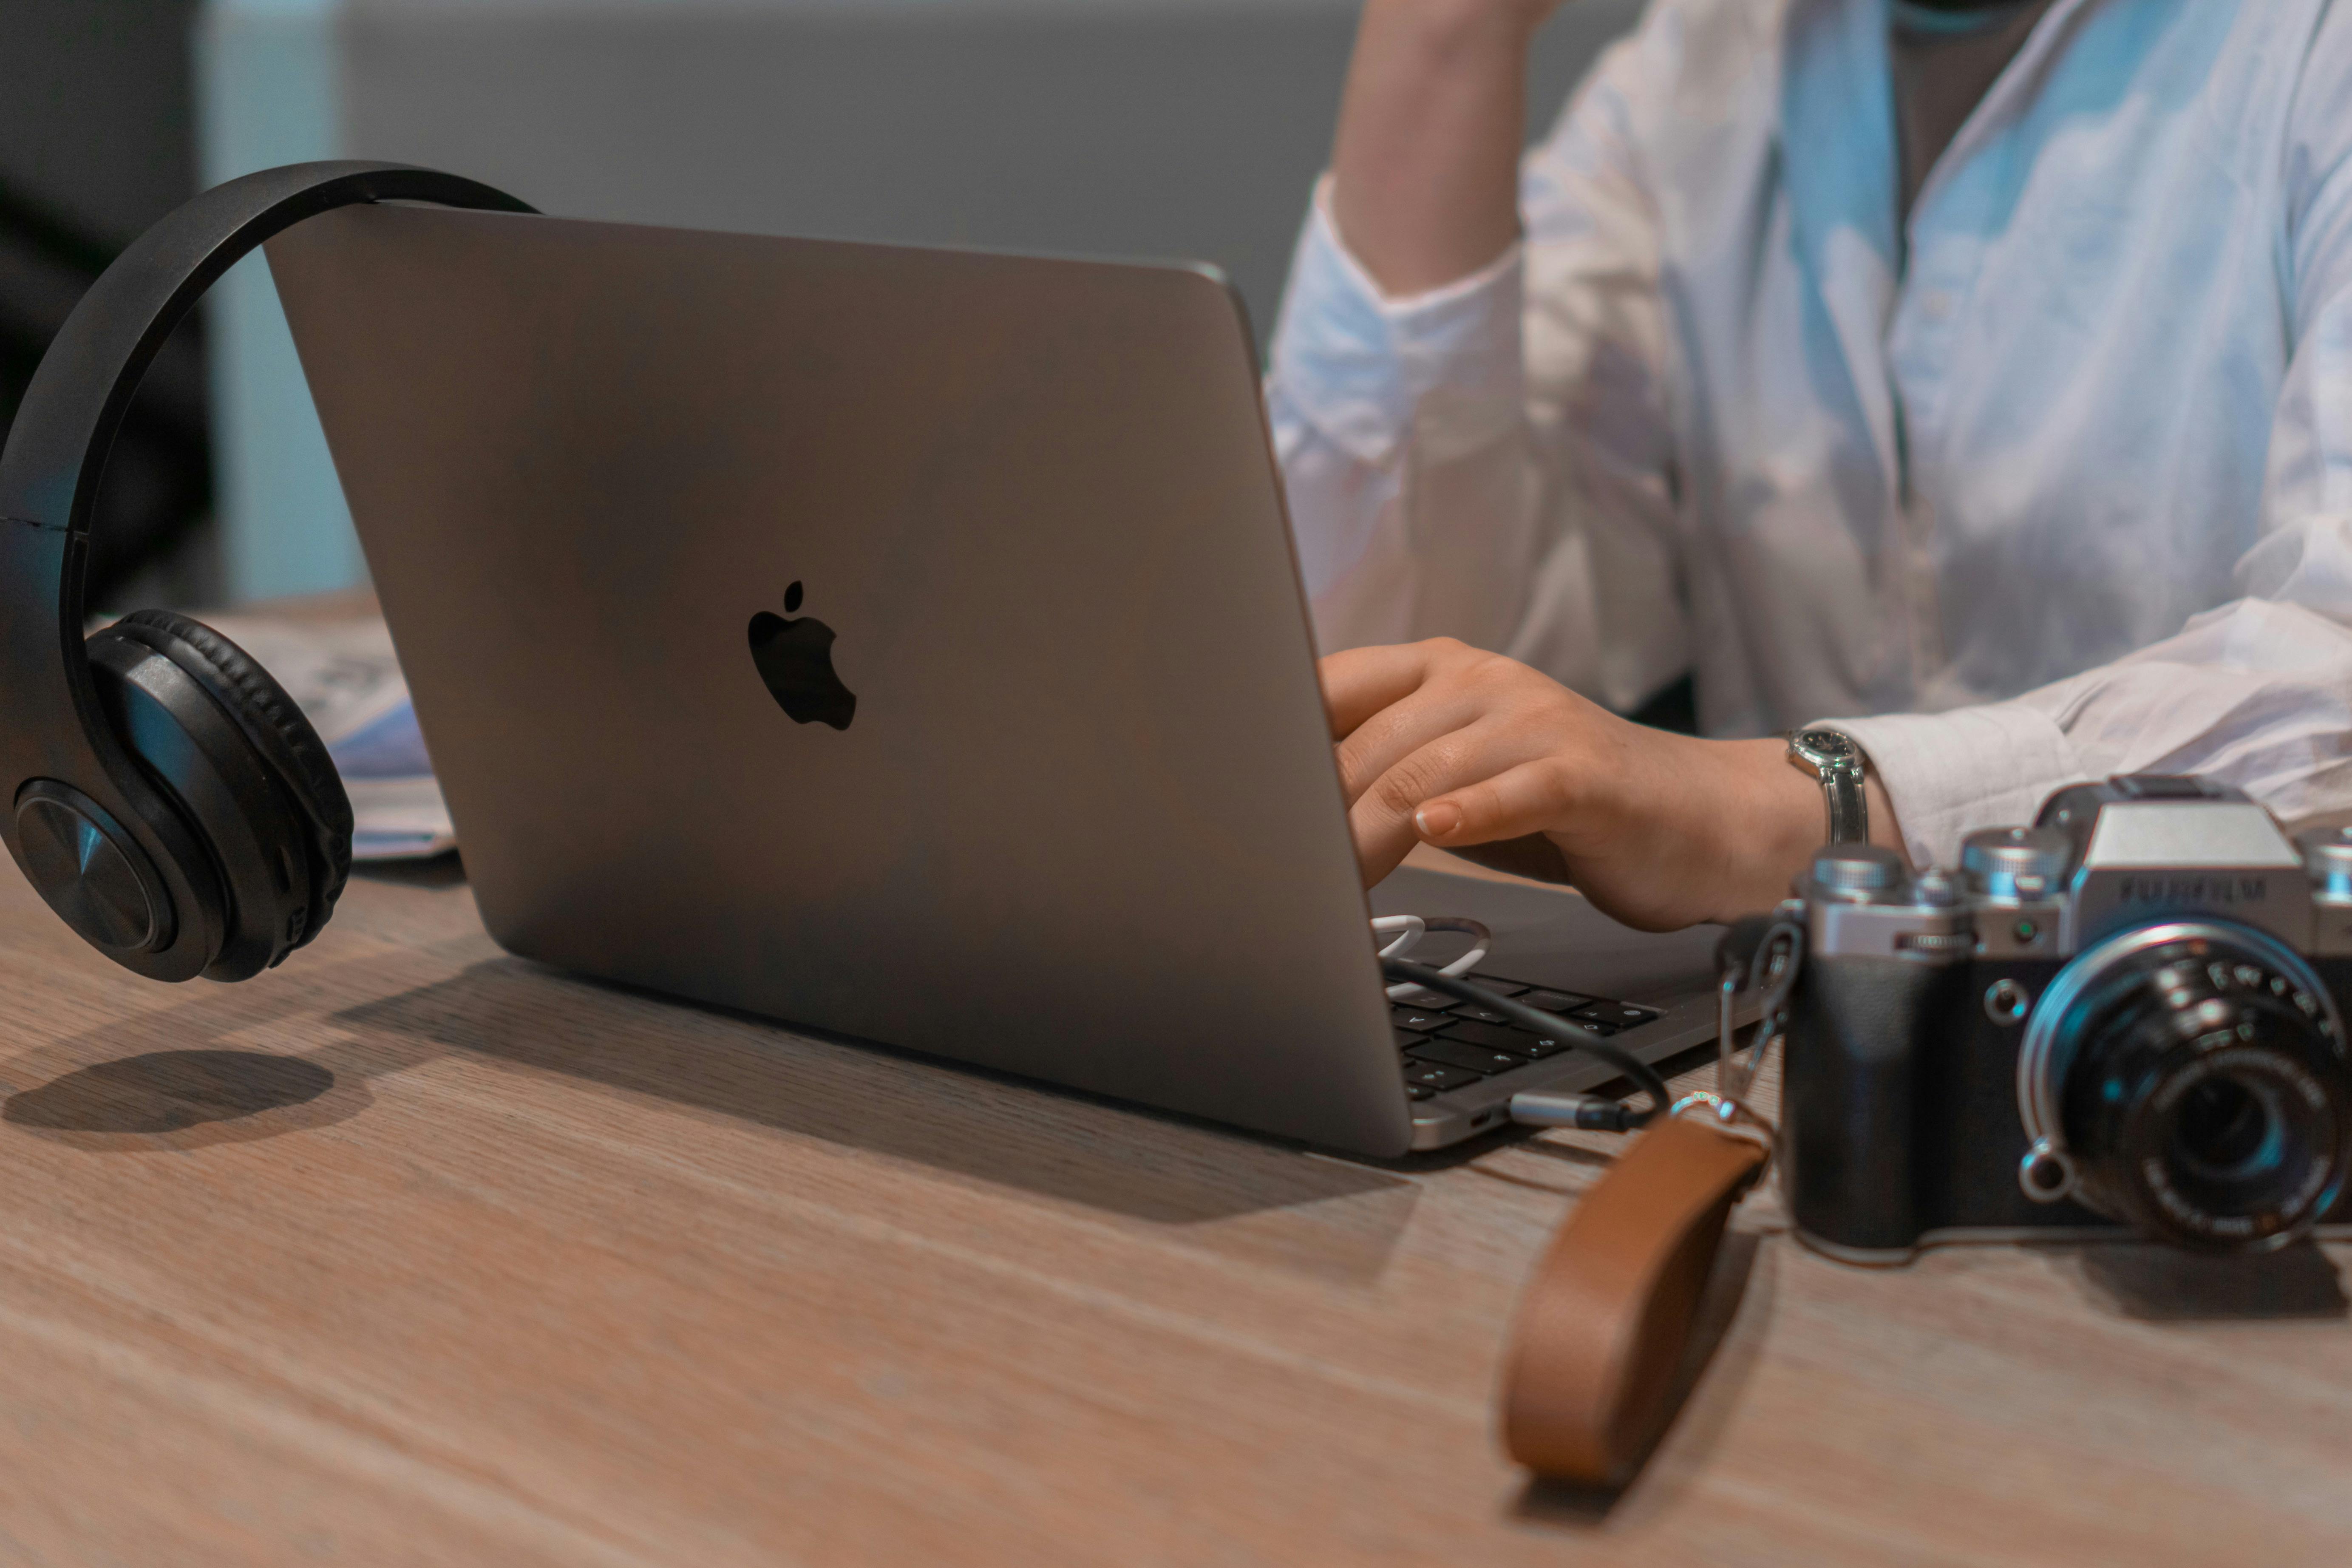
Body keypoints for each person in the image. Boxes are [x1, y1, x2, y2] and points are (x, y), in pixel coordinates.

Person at [1270, 0, 2352, 930]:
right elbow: (1387, 687)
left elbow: (2334, 678)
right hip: (1793, 1065)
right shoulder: (1707, 57)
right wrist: (1446, 29)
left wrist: (1780, 813)